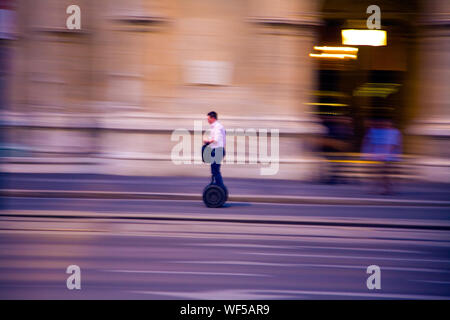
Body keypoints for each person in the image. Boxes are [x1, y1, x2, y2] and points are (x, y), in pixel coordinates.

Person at [362, 119, 402, 195]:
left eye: (387, 124)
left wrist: (385, 153)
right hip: (383, 157)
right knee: (381, 174)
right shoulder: (384, 132)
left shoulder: (394, 132)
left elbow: (393, 145)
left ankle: (387, 190)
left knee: (384, 175)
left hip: (388, 157)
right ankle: (381, 189)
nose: (385, 125)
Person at [203, 111, 226, 187]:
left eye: (208, 118)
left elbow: (215, 139)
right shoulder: (215, 127)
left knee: (216, 170)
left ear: (213, 118)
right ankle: (214, 184)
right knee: (214, 170)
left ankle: (220, 187)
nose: (207, 120)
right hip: (217, 150)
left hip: (217, 151)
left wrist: (207, 141)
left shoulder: (217, 127)